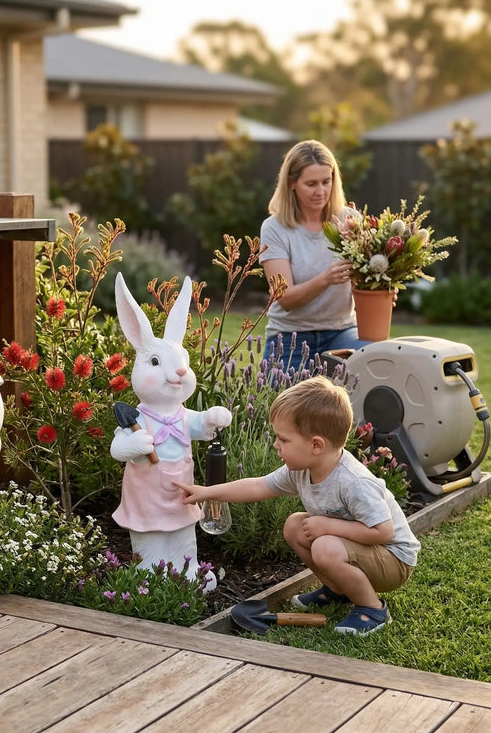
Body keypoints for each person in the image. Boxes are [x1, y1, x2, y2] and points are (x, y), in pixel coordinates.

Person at [174, 376, 420, 636]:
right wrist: (209, 492)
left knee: (325, 546)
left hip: (393, 559)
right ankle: (337, 590)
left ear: (316, 445)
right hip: (361, 550)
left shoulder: (353, 482)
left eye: (283, 439)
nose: (276, 445)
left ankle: (373, 609)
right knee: (294, 526)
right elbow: (259, 486)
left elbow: (384, 532)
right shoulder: (302, 470)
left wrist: (328, 525)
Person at [260, 140, 365, 373]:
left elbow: (365, 284)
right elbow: (285, 299)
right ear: (292, 183)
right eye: (311, 184)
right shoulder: (275, 228)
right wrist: (326, 279)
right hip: (290, 337)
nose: (321, 191)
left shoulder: (349, 221)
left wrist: (376, 283)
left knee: (378, 370)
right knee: (279, 407)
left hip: (342, 332)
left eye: (326, 182)